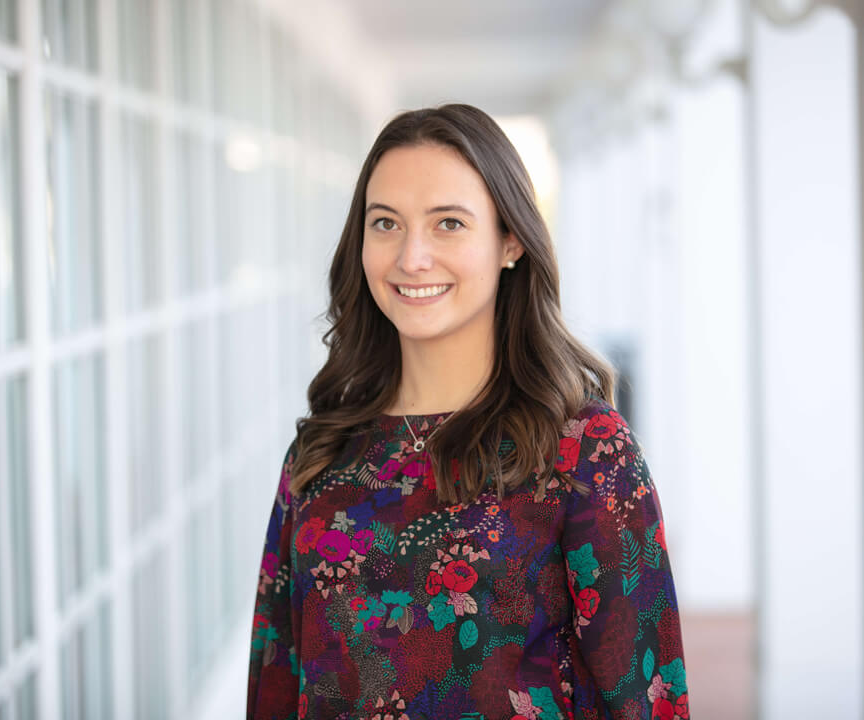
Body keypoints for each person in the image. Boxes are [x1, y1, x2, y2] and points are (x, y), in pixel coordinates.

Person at [247, 104, 688, 720]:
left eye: (448, 223)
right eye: (386, 223)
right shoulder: (323, 452)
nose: (412, 257)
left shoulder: (585, 448)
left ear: (510, 241)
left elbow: (648, 698)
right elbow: (275, 679)